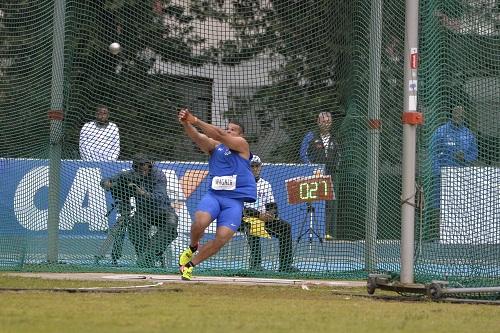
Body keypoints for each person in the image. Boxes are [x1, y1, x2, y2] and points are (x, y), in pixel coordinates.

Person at [177, 107, 256, 280]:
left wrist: (195, 120)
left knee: (221, 239)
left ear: (241, 136)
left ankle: (189, 266)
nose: (229, 131)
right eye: (228, 128)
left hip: (234, 202)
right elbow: (198, 137)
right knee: (200, 223)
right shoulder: (215, 147)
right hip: (215, 196)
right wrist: (186, 124)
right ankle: (192, 247)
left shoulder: (242, 146)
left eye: (233, 130)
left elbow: (219, 134)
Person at [97, 153, 178, 267]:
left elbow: (160, 197)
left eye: (146, 166)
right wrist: (107, 183)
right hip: (143, 213)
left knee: (172, 224)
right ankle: (145, 258)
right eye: (140, 166)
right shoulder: (129, 175)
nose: (144, 169)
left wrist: (143, 193)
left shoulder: (158, 175)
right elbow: (107, 180)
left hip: (162, 211)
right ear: (135, 167)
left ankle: (149, 255)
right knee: (134, 227)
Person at [240, 155, 299, 272]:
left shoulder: (265, 184)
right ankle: (255, 265)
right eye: (252, 166)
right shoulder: (241, 183)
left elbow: (272, 205)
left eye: (257, 166)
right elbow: (242, 207)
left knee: (285, 227)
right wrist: (259, 215)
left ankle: (285, 265)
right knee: (254, 225)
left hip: (264, 219)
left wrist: (271, 214)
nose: (255, 169)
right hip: (244, 219)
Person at [429, 104, 478, 239]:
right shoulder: (441, 132)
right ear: (452, 113)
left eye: (461, 112)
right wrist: (437, 171)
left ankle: (457, 236)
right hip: (442, 175)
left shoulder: (468, 133)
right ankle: (437, 236)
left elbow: (474, 153)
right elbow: (432, 152)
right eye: (456, 112)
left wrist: (465, 157)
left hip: (461, 176)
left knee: (459, 205)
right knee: (439, 205)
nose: (459, 115)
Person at [300, 111, 340, 241]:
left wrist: (335, 167)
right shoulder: (311, 136)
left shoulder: (334, 138)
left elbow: (339, 155)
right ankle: (310, 231)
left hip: (330, 176)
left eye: (328, 121)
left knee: (329, 203)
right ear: (318, 122)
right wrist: (313, 168)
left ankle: (325, 231)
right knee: (313, 203)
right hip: (314, 175)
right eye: (323, 121)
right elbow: (303, 154)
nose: (326, 124)